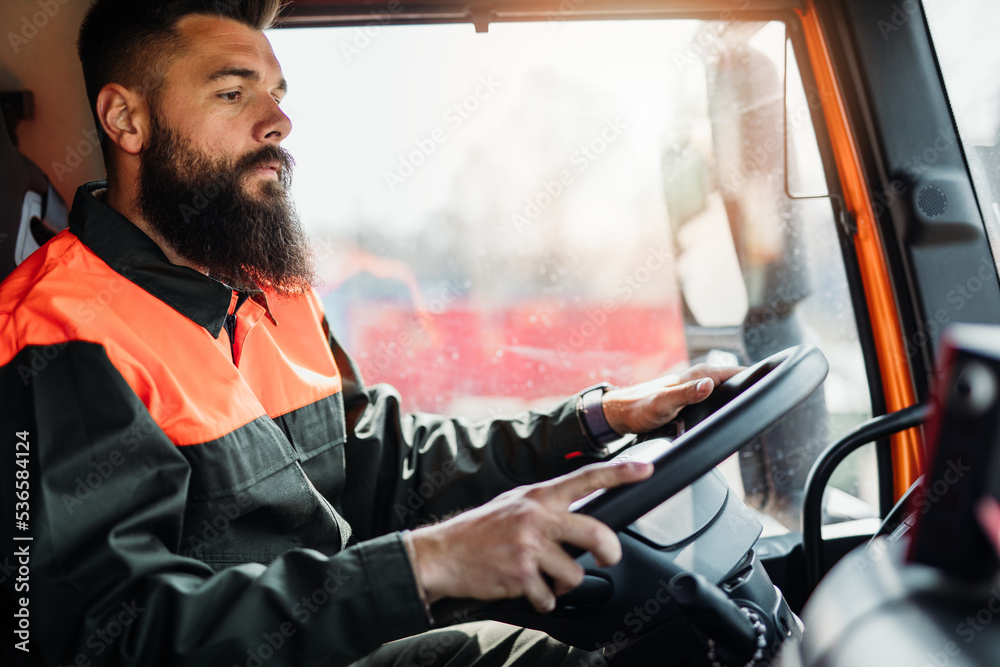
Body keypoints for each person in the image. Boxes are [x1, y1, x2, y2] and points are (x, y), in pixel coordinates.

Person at [0, 1, 739, 665]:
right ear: (126, 120)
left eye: (277, 95)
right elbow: (101, 636)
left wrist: (594, 417)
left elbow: (388, 470)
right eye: (232, 93)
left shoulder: (275, 292)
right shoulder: (57, 332)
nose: (277, 121)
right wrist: (421, 567)